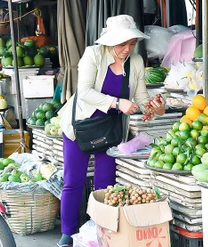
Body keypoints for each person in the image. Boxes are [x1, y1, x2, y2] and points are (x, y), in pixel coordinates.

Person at [55, 14, 166, 247]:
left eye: (132, 43)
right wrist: (117, 103)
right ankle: (67, 234)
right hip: (81, 126)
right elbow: (84, 91)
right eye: (122, 44)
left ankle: (101, 232)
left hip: (110, 130)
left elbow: (141, 99)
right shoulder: (93, 55)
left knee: (106, 183)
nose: (127, 49)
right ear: (109, 41)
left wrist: (156, 108)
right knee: (73, 181)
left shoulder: (135, 62)